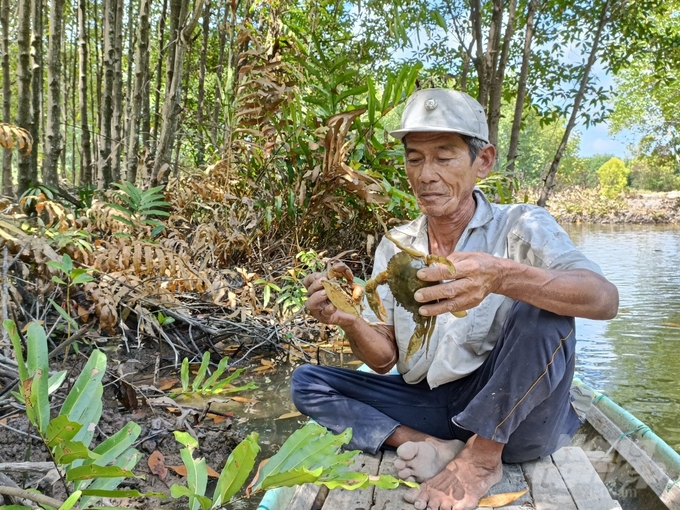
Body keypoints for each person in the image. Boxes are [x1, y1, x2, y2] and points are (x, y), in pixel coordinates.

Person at [290, 88, 619, 510]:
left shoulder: (521, 225)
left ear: (482, 162)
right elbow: (384, 360)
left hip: (513, 422)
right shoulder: (396, 247)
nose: (426, 174)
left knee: (545, 308)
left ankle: (480, 460)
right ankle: (432, 445)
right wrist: (350, 319)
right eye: (414, 158)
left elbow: (604, 299)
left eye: (444, 158)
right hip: (434, 406)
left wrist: (501, 276)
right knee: (307, 382)